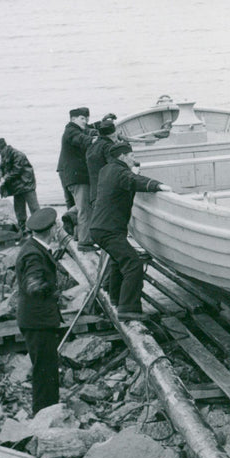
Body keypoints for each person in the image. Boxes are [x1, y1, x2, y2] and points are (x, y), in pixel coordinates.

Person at [90, 142, 172, 321]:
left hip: (101, 227)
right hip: (109, 230)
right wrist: (157, 185)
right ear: (122, 157)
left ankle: (116, 298)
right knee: (133, 264)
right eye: (132, 156)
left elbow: (127, 178)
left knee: (118, 261)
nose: (134, 159)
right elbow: (132, 180)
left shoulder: (106, 170)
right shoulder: (120, 173)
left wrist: (132, 173)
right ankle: (128, 309)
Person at [15, 207, 62, 415]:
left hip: (36, 320)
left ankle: (47, 410)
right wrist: (55, 291)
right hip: (38, 322)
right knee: (44, 370)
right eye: (56, 226)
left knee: (47, 368)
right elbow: (34, 286)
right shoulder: (34, 254)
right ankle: (44, 414)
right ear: (51, 229)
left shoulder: (33, 247)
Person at [57, 107, 97, 251]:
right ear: (73, 119)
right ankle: (84, 243)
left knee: (84, 206)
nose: (85, 121)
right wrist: (94, 140)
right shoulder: (71, 131)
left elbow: (87, 130)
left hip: (75, 178)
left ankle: (76, 230)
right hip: (78, 178)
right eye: (82, 118)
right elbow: (81, 139)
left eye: (86, 118)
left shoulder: (75, 129)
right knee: (85, 209)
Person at [0, 138, 39, 235]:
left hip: (27, 185)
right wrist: (0, 177)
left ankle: (41, 228)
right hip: (17, 187)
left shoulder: (18, 155)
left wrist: (5, 178)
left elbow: (17, 170)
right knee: (19, 210)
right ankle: (23, 230)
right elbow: (0, 167)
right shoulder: (4, 155)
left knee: (34, 208)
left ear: (4, 148)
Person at [86, 119, 117, 208]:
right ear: (114, 134)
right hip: (106, 194)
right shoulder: (108, 147)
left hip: (94, 193)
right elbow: (114, 168)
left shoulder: (92, 146)